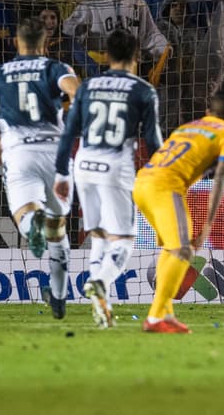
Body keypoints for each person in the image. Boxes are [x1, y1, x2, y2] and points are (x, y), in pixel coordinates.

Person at [0, 15, 80, 320]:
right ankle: (58, 297)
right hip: (56, 154)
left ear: (16, 41)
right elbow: (77, 92)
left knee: (26, 214)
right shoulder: (56, 68)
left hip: (19, 153)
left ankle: (32, 223)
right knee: (58, 230)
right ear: (44, 41)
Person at [54, 29, 162, 328]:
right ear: (137, 56)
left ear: (106, 56)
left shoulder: (87, 87)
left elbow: (68, 133)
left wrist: (62, 173)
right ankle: (99, 281)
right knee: (124, 241)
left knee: (100, 236)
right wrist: (163, 173)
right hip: (116, 166)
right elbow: (153, 142)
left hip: (83, 165)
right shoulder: (143, 90)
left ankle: (102, 310)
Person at [133, 90, 224, 333]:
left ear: (208, 112)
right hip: (166, 187)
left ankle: (166, 314)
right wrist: (208, 226)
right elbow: (220, 181)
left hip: (142, 183)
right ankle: (155, 317)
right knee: (183, 249)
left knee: (172, 248)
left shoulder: (187, 127)